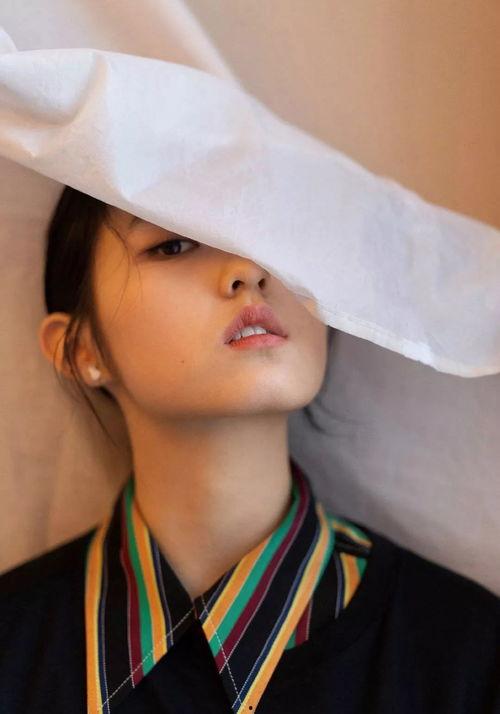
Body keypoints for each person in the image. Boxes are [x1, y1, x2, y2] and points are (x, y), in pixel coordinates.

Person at [0, 185, 499, 714]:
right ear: (81, 349)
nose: (249, 269)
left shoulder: (470, 658)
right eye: (174, 245)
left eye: (278, 234)